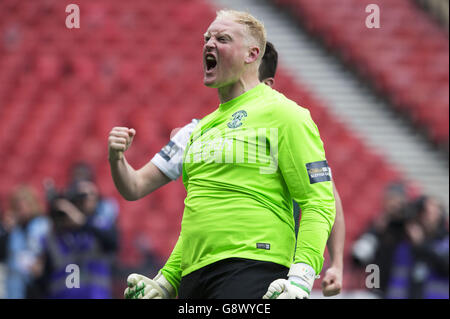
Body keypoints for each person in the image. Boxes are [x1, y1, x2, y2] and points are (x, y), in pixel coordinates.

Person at [110, 9, 336, 299]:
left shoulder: (285, 114)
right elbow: (201, 217)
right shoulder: (199, 130)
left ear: (252, 54)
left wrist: (302, 279)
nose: (208, 44)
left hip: (253, 268)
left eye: (222, 38)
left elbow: (319, 202)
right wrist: (166, 281)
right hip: (195, 277)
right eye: (206, 38)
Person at [35, 180, 119, 298]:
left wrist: (82, 222)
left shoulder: (100, 226)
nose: (88, 199)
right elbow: (44, 278)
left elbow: (113, 243)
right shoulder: (53, 237)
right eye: (82, 196)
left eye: (92, 194)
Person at [385, 195, 448, 299]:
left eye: (431, 212)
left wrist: (421, 244)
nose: (426, 217)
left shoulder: (444, 242)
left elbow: (444, 264)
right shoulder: (403, 244)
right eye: (423, 212)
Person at [3, 185, 50, 298]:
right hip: (16, 282)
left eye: (25, 206)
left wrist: (41, 263)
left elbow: (49, 250)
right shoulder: (12, 230)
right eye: (18, 208)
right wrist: (6, 232)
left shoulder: (43, 225)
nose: (22, 211)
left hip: (38, 281)